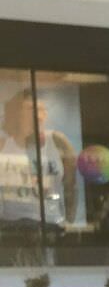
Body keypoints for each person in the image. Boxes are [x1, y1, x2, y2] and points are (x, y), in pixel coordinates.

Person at [0, 89, 76, 226]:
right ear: (18, 113)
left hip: (50, 222)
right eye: (30, 109)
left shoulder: (57, 141)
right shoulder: (3, 146)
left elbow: (70, 184)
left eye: (41, 109)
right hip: (12, 223)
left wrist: (70, 220)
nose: (37, 115)